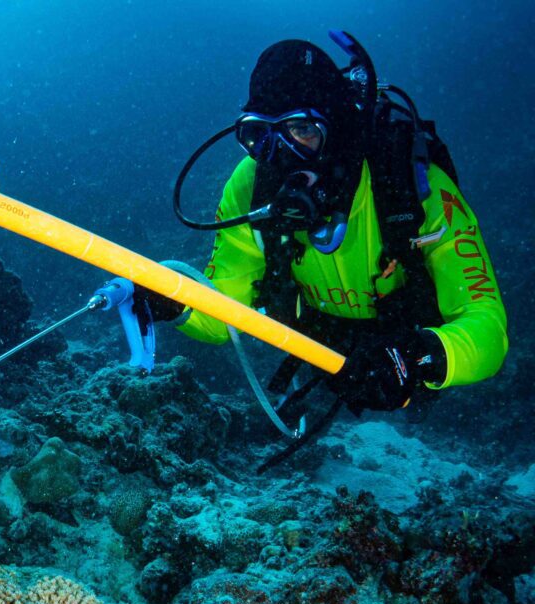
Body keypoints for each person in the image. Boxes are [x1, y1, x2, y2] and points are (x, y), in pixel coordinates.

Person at [143, 37, 507, 416]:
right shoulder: (249, 187)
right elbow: (223, 318)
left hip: (407, 353)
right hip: (320, 349)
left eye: (302, 130)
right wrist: (171, 299)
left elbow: (488, 328)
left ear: (340, 130)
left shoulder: (415, 187)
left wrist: (420, 357)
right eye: (260, 136)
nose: (281, 158)